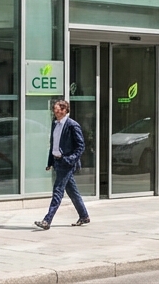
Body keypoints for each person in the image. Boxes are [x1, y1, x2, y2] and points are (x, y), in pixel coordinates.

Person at [35, 99, 90, 230]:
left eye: (58, 110)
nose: (55, 112)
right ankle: (84, 216)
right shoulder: (55, 124)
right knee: (72, 192)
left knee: (58, 191)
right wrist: (50, 162)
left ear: (65, 110)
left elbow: (81, 146)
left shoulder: (72, 125)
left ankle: (47, 220)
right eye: (54, 110)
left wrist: (70, 159)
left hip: (67, 163)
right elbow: (53, 144)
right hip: (57, 161)